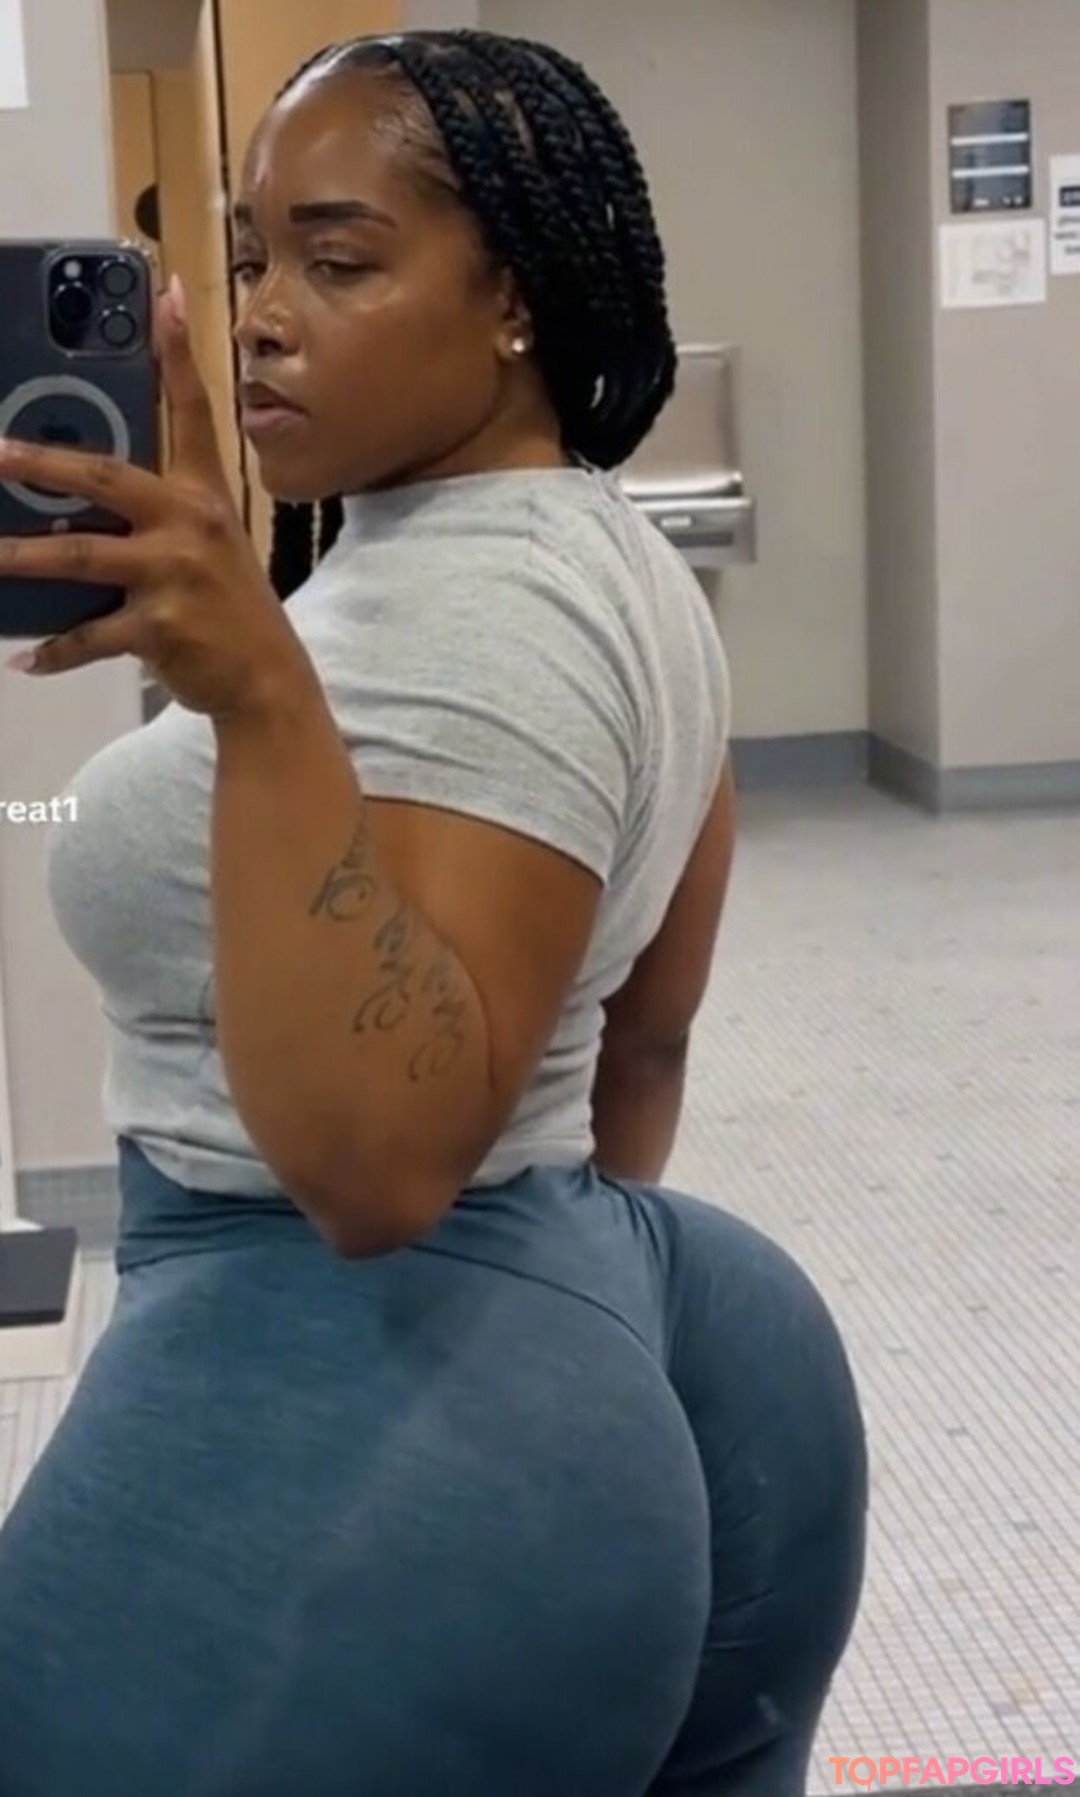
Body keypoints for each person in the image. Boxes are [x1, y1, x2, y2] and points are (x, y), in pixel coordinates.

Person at [0, 29, 867, 1796]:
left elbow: (384, 1171)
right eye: (253, 258)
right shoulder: (581, 553)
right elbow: (646, 1035)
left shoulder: (486, 603)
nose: (262, 317)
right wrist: (572, 1326)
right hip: (637, 1333)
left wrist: (259, 697)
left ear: (516, 301)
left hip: (370, 1411)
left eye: (339, 262)